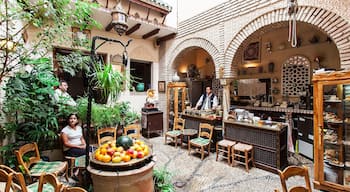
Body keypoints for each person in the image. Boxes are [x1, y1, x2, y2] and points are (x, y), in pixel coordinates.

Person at [61, 113, 85, 181]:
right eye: (71, 118)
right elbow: (66, 143)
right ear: (68, 120)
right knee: (86, 153)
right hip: (69, 149)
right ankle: (76, 173)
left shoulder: (79, 128)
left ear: (77, 120)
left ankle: (82, 170)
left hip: (79, 147)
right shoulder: (65, 130)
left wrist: (84, 144)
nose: (72, 120)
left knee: (94, 150)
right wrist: (79, 147)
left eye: (74, 118)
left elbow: (82, 138)